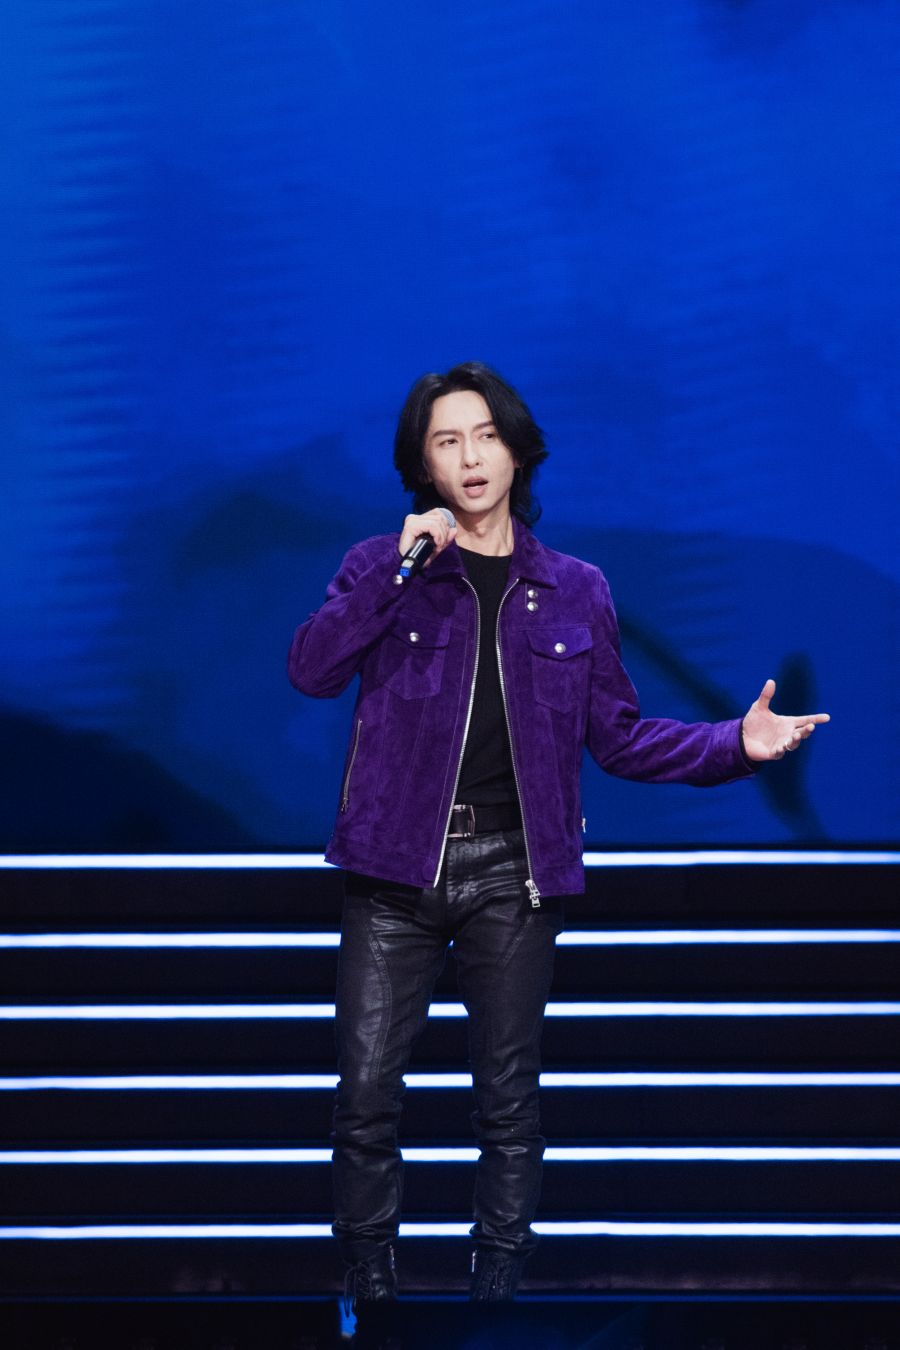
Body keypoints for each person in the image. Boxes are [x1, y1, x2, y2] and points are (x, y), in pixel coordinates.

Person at [287, 361, 829, 1306]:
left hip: (515, 870)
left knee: (508, 1102)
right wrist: (397, 574)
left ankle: (496, 1292)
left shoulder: (575, 589)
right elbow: (311, 669)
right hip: (392, 869)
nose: (470, 457)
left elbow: (619, 737)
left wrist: (734, 745)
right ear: (423, 463)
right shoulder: (384, 566)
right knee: (366, 1094)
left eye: (485, 436)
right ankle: (369, 1290)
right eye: (447, 441)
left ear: (516, 450)